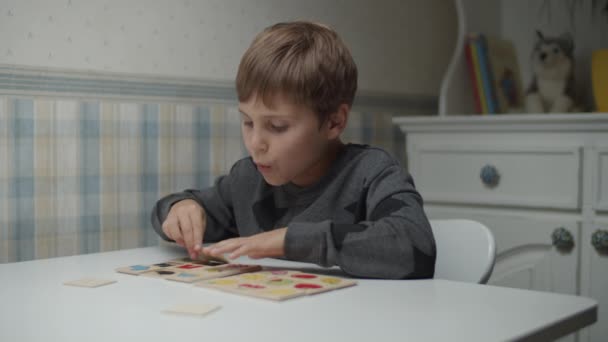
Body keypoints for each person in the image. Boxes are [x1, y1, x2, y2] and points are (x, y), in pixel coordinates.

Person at [150, 21, 435, 279]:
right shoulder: (247, 179)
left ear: (334, 121)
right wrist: (180, 209)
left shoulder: (371, 172)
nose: (255, 143)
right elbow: (172, 209)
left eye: (277, 126)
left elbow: (415, 245)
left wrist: (289, 240)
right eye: (248, 122)